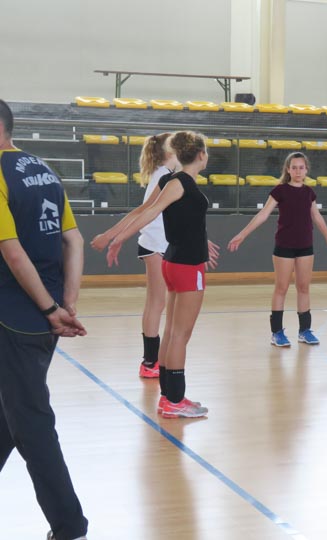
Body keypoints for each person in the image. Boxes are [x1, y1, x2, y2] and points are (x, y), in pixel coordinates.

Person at [0, 98, 89, 539]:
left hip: (14, 318)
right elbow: (74, 240)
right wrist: (65, 303)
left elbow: (12, 250)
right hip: (43, 318)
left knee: (31, 422)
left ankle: (69, 526)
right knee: (9, 410)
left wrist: (52, 310)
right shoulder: (44, 170)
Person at [106, 131, 218, 419]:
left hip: (173, 261)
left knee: (172, 332)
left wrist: (119, 237)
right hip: (186, 265)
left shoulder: (174, 181)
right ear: (201, 155)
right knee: (180, 334)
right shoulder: (180, 183)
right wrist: (119, 239)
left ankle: (170, 397)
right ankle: (174, 400)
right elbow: (150, 212)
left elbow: (153, 212)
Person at [227, 151, 327, 346]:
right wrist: (242, 234)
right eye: (294, 167)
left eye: (301, 167)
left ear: (306, 170)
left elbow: (316, 216)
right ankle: (277, 332)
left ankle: (304, 331)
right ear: (288, 170)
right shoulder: (280, 190)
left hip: (305, 246)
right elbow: (263, 215)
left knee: (303, 287)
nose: (298, 171)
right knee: (281, 288)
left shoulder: (309, 192)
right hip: (284, 246)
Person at [90, 133, 177, 378]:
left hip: (159, 243)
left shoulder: (163, 174)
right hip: (157, 244)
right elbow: (143, 212)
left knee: (156, 303)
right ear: (170, 151)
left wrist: (113, 235)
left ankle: (152, 360)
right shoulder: (164, 176)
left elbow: (142, 211)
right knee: (157, 303)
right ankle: (150, 362)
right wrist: (114, 236)